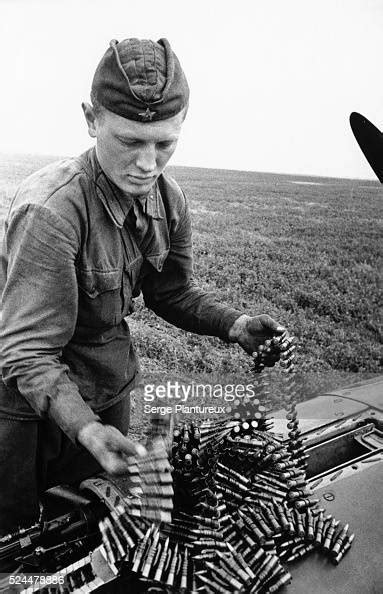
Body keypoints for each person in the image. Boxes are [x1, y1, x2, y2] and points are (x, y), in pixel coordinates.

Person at [0, 37, 285, 536]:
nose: (148, 164)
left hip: (107, 383)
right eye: (130, 141)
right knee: (17, 541)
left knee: (88, 526)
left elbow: (171, 293)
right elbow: (27, 353)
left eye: (164, 143)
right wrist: (85, 429)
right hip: (25, 403)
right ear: (92, 120)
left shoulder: (168, 202)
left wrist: (234, 325)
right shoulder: (52, 211)